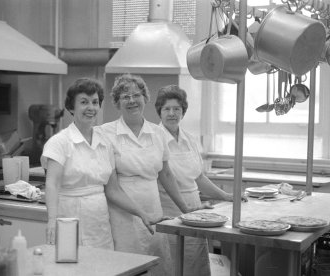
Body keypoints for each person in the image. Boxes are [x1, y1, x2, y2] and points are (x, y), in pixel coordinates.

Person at [98, 74, 199, 276]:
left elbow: (166, 174)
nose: (132, 100)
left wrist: (186, 211)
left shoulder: (157, 133)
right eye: (125, 96)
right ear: (117, 103)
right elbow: (111, 188)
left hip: (154, 210)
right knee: (129, 267)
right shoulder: (105, 133)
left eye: (137, 95)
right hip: (123, 216)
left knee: (157, 266)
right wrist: (141, 215)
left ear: (145, 98)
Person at [41, 78, 157, 249]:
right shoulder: (60, 142)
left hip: (99, 226)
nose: (91, 107)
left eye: (95, 102)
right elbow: (52, 183)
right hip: (68, 220)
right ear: (72, 107)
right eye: (84, 102)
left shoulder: (104, 142)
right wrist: (52, 219)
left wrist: (142, 213)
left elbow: (113, 190)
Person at [155, 84, 240, 276]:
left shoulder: (190, 139)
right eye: (166, 109)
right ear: (159, 112)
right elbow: (165, 176)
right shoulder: (154, 138)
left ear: (183, 112)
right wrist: (185, 209)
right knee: (173, 266)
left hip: (196, 212)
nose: (171, 113)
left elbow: (199, 177)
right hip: (169, 212)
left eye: (176, 109)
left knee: (196, 264)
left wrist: (225, 196)